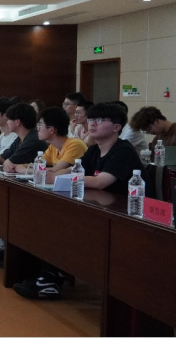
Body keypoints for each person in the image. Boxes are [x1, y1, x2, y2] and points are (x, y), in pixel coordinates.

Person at [14, 102, 143, 301]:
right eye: (91, 119)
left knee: (61, 224)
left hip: (125, 216)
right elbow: (73, 169)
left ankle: (51, 279)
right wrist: (54, 174)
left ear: (117, 127)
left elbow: (101, 182)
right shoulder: (93, 151)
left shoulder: (123, 150)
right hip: (97, 209)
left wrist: (58, 177)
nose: (92, 124)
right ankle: (48, 276)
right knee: (48, 217)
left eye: (99, 120)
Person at [11, 108, 88, 182]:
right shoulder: (53, 147)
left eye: (40, 125)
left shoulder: (75, 145)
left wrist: (24, 170)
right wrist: (17, 166)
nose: (37, 129)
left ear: (52, 130)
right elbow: (38, 165)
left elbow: (54, 171)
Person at [0, 103, 50, 173]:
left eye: (9, 119)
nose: (7, 122)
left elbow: (9, 163)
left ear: (17, 122)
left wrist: (7, 162)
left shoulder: (33, 140)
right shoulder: (20, 138)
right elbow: (3, 158)